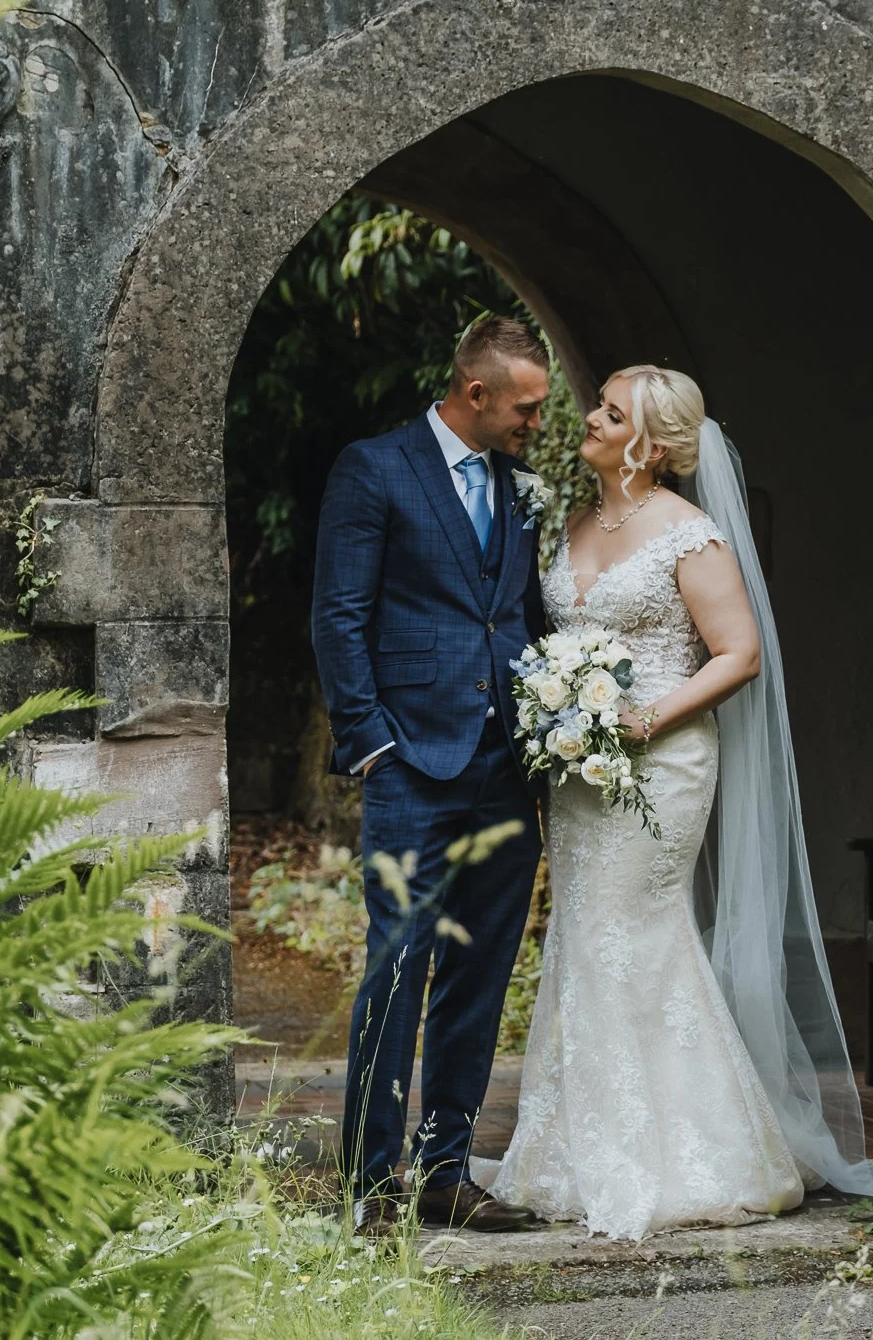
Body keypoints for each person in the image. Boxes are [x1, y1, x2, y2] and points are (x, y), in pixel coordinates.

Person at [474, 365, 873, 1239]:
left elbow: (738, 653)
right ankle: (572, 1146)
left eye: (609, 411)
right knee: (584, 934)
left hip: (660, 762)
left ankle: (690, 1154)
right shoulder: (577, 519)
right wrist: (563, 710)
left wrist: (642, 719)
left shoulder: (688, 535)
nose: (588, 416)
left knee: (630, 933)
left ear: (649, 445)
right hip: (582, 767)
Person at [311, 315, 550, 1235]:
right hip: (411, 762)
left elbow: (520, 615)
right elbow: (339, 616)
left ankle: (446, 1169)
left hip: (505, 764)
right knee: (397, 965)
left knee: (479, 973)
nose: (537, 420)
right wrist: (371, 741)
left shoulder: (518, 486)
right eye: (525, 406)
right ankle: (371, 1183)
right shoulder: (374, 469)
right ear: (476, 394)